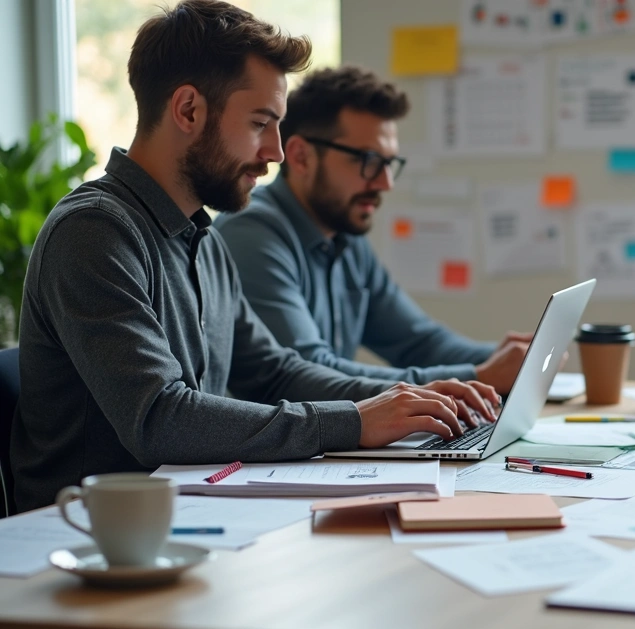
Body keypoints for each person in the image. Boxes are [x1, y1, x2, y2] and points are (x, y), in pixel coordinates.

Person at [10, 0, 498, 513]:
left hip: (191, 514)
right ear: (188, 110)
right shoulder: (95, 232)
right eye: (261, 123)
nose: (277, 153)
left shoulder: (205, 241)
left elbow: (274, 373)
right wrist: (353, 420)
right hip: (84, 541)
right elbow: (160, 418)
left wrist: (405, 401)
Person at [213, 66, 529, 395]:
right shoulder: (251, 233)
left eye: (389, 163)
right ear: (301, 157)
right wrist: (476, 377)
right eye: (368, 160)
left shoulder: (344, 235)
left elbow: (417, 341)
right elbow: (306, 373)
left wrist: (503, 358)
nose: (385, 183)